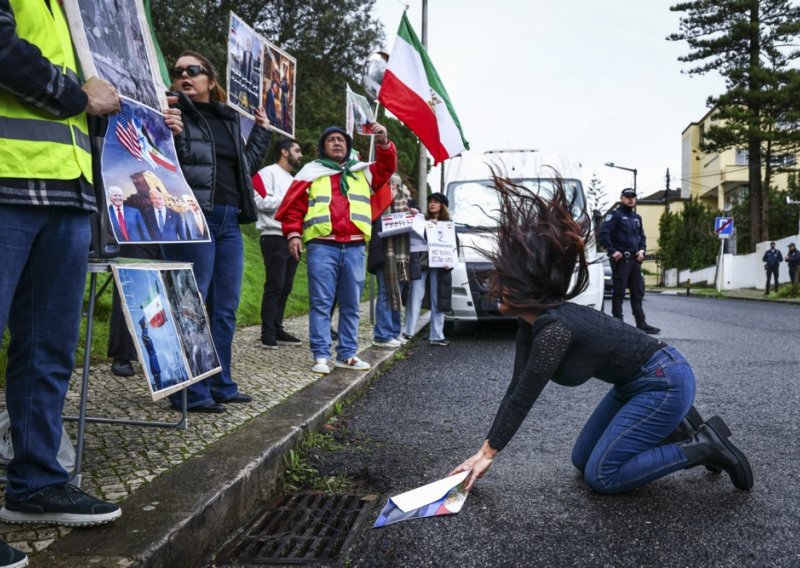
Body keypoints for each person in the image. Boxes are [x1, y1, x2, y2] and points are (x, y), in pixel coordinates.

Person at [0, 0, 173, 561]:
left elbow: (105, 95)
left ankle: (35, 485)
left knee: (49, 349)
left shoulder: (76, 11)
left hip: (69, 196)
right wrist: (79, 95)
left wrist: (149, 114)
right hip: (6, 183)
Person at [450, 177, 753, 495]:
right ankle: (676, 425)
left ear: (528, 288)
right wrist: (483, 450)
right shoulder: (530, 326)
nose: (495, 287)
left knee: (603, 475)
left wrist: (489, 456)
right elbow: (515, 390)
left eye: (506, 280)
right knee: (582, 460)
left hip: (665, 380)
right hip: (633, 387)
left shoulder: (555, 329)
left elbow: (526, 398)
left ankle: (704, 445)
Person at [163, 50, 271, 413]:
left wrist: (261, 133)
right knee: (190, 304)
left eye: (192, 70)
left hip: (228, 222)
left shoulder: (227, 119)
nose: (184, 76)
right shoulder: (171, 114)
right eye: (177, 71)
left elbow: (244, 169)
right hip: (193, 216)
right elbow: (165, 163)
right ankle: (189, 392)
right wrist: (169, 133)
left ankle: (220, 383)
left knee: (224, 307)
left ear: (211, 79)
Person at [275, 124, 397, 374]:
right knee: (321, 303)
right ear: (323, 147)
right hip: (322, 246)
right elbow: (295, 208)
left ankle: (347, 354)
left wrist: (383, 140)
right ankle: (321, 355)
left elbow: (386, 166)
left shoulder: (362, 172)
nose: (337, 143)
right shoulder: (311, 172)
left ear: (348, 145)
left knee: (351, 303)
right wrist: (293, 235)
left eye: (341, 139)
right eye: (331, 139)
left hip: (354, 247)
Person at [252, 138, 304, 349]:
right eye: (297, 150)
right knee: (275, 284)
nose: (300, 155)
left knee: (286, 285)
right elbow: (258, 201)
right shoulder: (266, 173)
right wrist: (289, 200)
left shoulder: (294, 180)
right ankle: (267, 332)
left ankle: (278, 327)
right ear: (284, 152)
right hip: (273, 235)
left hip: (294, 237)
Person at [598, 188, 660, 334]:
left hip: (635, 260)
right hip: (621, 260)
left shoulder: (637, 217)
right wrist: (613, 252)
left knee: (637, 292)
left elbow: (642, 237)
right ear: (622, 198)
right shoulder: (615, 215)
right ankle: (617, 323)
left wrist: (642, 250)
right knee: (619, 292)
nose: (631, 199)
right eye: (628, 197)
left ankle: (641, 323)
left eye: (633, 197)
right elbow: (603, 235)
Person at [402, 192, 454, 346]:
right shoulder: (421, 220)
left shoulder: (449, 223)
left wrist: (449, 261)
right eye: (430, 201)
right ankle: (408, 331)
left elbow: (452, 246)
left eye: (436, 202)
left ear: (442, 205)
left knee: (437, 299)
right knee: (415, 296)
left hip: (440, 265)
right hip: (423, 263)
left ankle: (437, 335)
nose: (432, 204)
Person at [369, 174, 413, 348]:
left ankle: (394, 332)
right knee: (386, 293)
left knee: (396, 294)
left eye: (396, 185)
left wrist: (413, 217)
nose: (394, 188)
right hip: (383, 254)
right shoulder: (378, 204)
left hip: (401, 257)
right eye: (390, 185)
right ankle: (382, 335)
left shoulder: (406, 205)